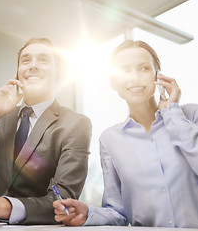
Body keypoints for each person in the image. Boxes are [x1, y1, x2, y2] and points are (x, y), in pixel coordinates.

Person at [0, 38, 92, 224]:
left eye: (43, 60)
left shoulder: (75, 124)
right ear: (18, 74)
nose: (33, 66)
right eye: (26, 60)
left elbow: (62, 200)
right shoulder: (2, 120)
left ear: (58, 74)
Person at [53, 40, 198, 228]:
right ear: (113, 82)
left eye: (144, 68)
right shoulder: (109, 140)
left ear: (157, 76)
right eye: (124, 70)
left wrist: (172, 113)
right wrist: (88, 213)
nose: (134, 78)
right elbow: (118, 213)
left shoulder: (190, 116)